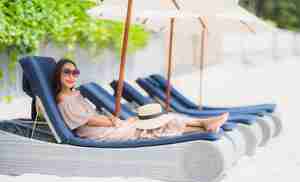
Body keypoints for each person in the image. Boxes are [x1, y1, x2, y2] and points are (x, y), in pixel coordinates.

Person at [53, 58, 229, 141]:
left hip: (103, 127)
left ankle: (204, 124)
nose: (71, 76)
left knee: (157, 121)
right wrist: (116, 122)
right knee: (152, 127)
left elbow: (92, 117)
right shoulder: (64, 100)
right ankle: (204, 124)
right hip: (99, 134)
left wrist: (120, 121)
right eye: (66, 72)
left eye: (74, 72)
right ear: (58, 75)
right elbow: (89, 120)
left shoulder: (73, 94)